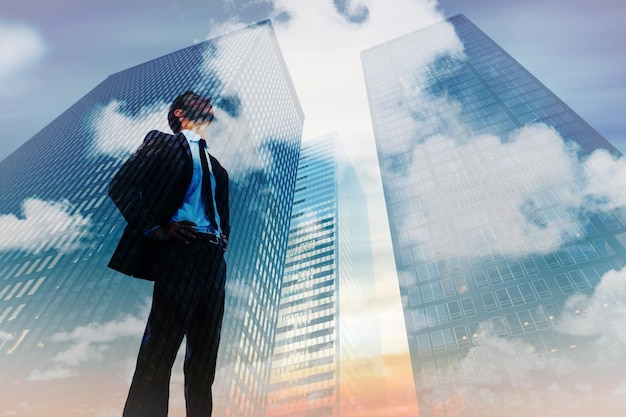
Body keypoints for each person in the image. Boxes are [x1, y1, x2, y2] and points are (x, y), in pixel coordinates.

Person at [108, 90, 230, 417]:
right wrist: (158, 229)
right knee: (161, 348)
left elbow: (220, 210)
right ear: (179, 112)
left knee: (204, 358)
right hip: (180, 251)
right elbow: (121, 185)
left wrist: (222, 238)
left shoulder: (217, 167)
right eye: (200, 100)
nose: (208, 103)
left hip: (213, 261)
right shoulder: (162, 144)